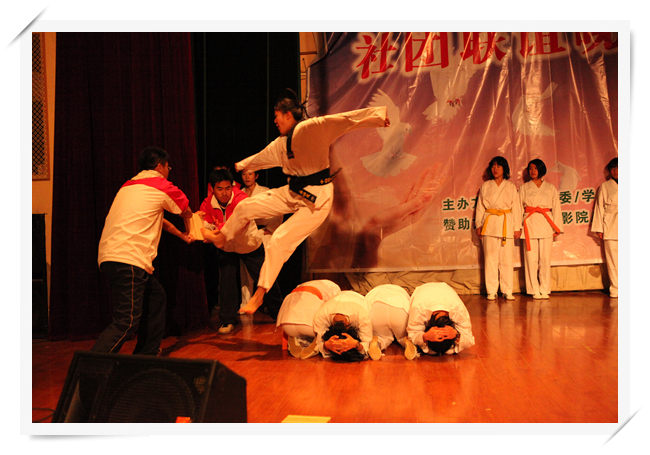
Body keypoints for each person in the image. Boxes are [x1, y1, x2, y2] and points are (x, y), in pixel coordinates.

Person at [202, 88, 390, 316]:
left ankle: (259, 295)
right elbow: (262, 158)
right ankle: (223, 236)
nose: (274, 121)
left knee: (278, 240)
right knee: (245, 206)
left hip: (317, 201)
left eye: (277, 116)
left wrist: (376, 117)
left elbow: (343, 120)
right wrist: (243, 165)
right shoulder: (281, 144)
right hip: (294, 192)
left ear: (288, 114)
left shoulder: (312, 128)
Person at [92, 146, 193, 355]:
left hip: (113, 255)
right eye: (168, 168)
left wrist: (181, 235)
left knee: (156, 298)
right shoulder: (160, 184)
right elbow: (185, 208)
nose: (168, 171)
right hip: (128, 257)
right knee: (126, 322)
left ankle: (146, 354)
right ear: (160, 167)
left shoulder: (129, 185)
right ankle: (90, 367)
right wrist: (191, 229)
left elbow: (157, 218)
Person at [199, 168, 283, 333]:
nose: (224, 193)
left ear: (232, 186)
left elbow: (239, 223)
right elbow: (206, 225)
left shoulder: (241, 199)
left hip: (248, 243)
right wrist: (202, 226)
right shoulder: (208, 203)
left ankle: (279, 313)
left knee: (265, 277)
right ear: (212, 188)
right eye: (219, 189)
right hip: (226, 246)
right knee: (226, 281)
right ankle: (227, 320)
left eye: (227, 188)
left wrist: (213, 234)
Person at [475, 156, 523, 300]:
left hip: (506, 223)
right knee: (490, 259)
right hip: (489, 223)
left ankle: (507, 290)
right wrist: (478, 225)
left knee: (506, 259)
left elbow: (516, 208)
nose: (495, 169)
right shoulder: (486, 186)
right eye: (493, 166)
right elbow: (480, 207)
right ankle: (491, 290)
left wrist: (517, 227)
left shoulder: (510, 186)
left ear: (504, 169)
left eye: (498, 166)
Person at [519, 159, 563, 299]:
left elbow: (556, 207)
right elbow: (518, 208)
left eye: (535, 168)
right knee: (530, 259)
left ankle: (544, 288)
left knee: (545, 259)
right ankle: (533, 289)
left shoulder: (550, 188)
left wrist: (556, 227)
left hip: (546, 223)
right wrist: (517, 227)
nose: (533, 171)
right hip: (529, 223)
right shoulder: (524, 188)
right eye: (530, 168)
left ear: (541, 170)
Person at [406, 282, 475, 357]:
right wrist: (426, 336)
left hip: (445, 288)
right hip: (422, 290)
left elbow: (470, 339)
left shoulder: (459, 310)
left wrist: (456, 334)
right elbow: (411, 334)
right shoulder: (418, 309)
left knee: (443, 351)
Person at [276, 279, 341, 358]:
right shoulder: (336, 289)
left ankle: (295, 339)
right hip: (309, 327)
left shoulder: (302, 285)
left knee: (299, 318)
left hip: (286, 325)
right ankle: (317, 344)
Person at [307, 290, 373, 361]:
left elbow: (320, 343)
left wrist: (326, 345)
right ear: (348, 325)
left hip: (353, 296)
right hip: (355, 297)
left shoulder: (320, 317)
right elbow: (366, 343)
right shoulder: (363, 317)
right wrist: (356, 344)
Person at [365, 284, 416, 360]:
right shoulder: (402, 292)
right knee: (402, 336)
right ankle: (405, 340)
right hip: (399, 308)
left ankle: (378, 341)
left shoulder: (372, 293)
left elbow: (365, 311)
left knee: (383, 337)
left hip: (377, 309)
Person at [591, 157, 618, 298]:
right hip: (610, 224)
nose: (615, 171)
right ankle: (616, 287)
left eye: (618, 168)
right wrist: (599, 228)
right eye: (613, 168)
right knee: (612, 259)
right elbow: (599, 207)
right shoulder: (605, 186)